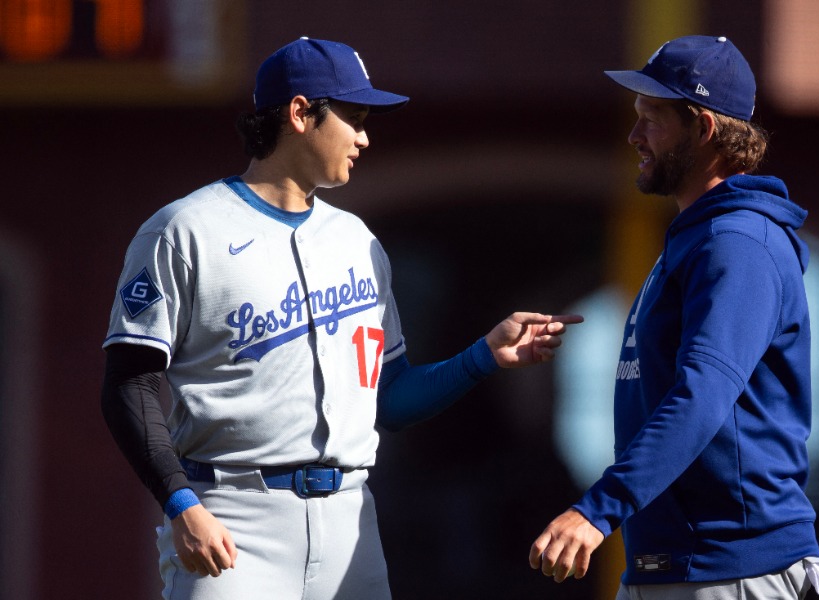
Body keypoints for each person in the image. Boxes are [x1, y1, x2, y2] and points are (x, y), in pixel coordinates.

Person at [100, 36, 582, 600]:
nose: (364, 136)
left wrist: (483, 356)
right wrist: (180, 503)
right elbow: (129, 384)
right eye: (353, 117)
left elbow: (392, 401)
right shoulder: (186, 230)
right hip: (233, 518)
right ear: (301, 113)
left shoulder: (357, 242)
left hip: (350, 519)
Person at [529, 35, 819, 599]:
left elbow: (702, 396)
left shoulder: (738, 243)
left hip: (730, 568)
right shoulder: (697, 239)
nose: (634, 136)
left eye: (653, 119)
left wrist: (599, 510)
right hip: (672, 567)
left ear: (705, 129)